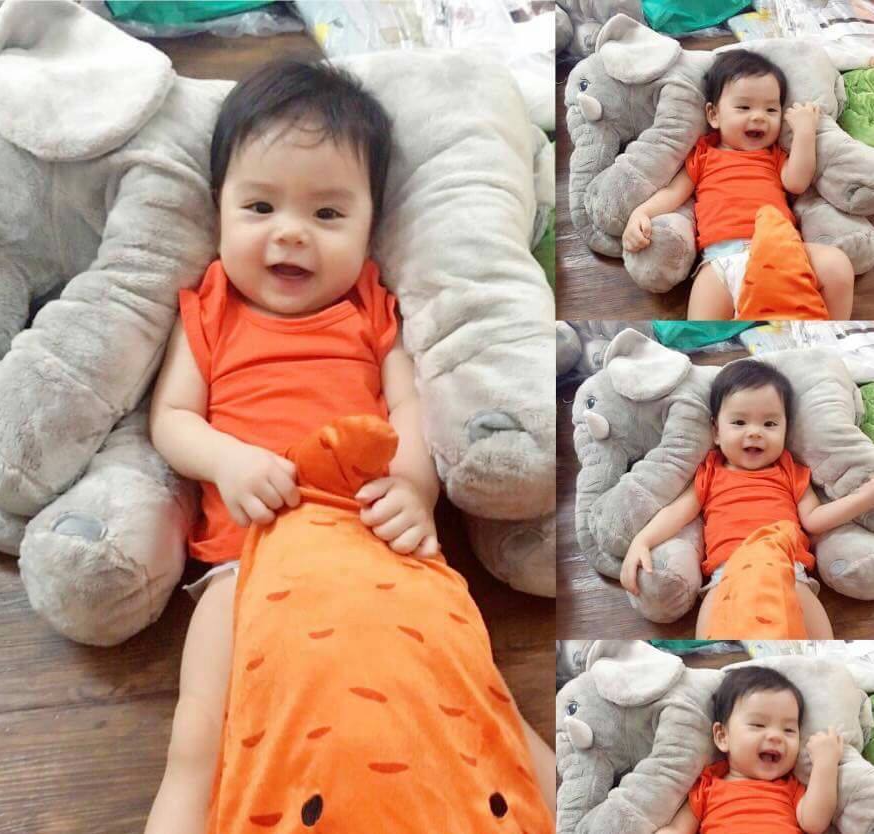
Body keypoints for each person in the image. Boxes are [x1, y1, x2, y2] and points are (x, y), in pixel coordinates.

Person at [143, 58, 555, 831]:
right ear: (218, 208)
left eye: (328, 213)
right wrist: (228, 460)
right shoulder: (210, 308)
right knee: (196, 743)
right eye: (259, 206)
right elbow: (170, 419)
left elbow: (411, 405)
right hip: (243, 561)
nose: (290, 232)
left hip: (376, 546)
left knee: (479, 697)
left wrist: (415, 489)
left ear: (371, 227)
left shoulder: (371, 305)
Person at [620, 359, 874, 638]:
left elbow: (814, 519)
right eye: (739, 422)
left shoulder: (789, 469)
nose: (754, 432)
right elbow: (677, 512)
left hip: (787, 570)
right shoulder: (711, 470)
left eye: (770, 423)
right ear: (716, 432)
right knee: (712, 635)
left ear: (786, 429)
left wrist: (863, 498)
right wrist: (642, 541)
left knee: (817, 642)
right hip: (727, 573)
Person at [622, 49, 854, 320]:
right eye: (744, 107)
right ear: (714, 115)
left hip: (782, 251)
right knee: (701, 322)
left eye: (771, 109)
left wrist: (805, 132)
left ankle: (830, 330)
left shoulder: (771, 156)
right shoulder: (703, 154)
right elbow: (673, 192)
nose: (759, 117)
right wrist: (641, 213)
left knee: (837, 265)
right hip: (720, 261)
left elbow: (798, 182)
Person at [656, 666, 843, 834]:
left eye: (789, 730)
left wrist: (825, 763)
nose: (776, 736)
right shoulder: (707, 786)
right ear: (722, 736)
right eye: (758, 725)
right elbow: (678, 829)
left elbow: (815, 823)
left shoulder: (790, 787)